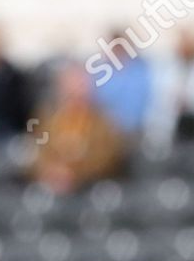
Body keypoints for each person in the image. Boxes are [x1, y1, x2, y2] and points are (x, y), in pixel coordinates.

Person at [29, 62, 127, 194]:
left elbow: (108, 158)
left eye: (80, 86)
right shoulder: (47, 119)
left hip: (88, 190)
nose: (76, 93)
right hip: (51, 188)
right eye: (70, 88)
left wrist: (74, 172)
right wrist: (49, 170)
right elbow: (36, 152)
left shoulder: (103, 121)